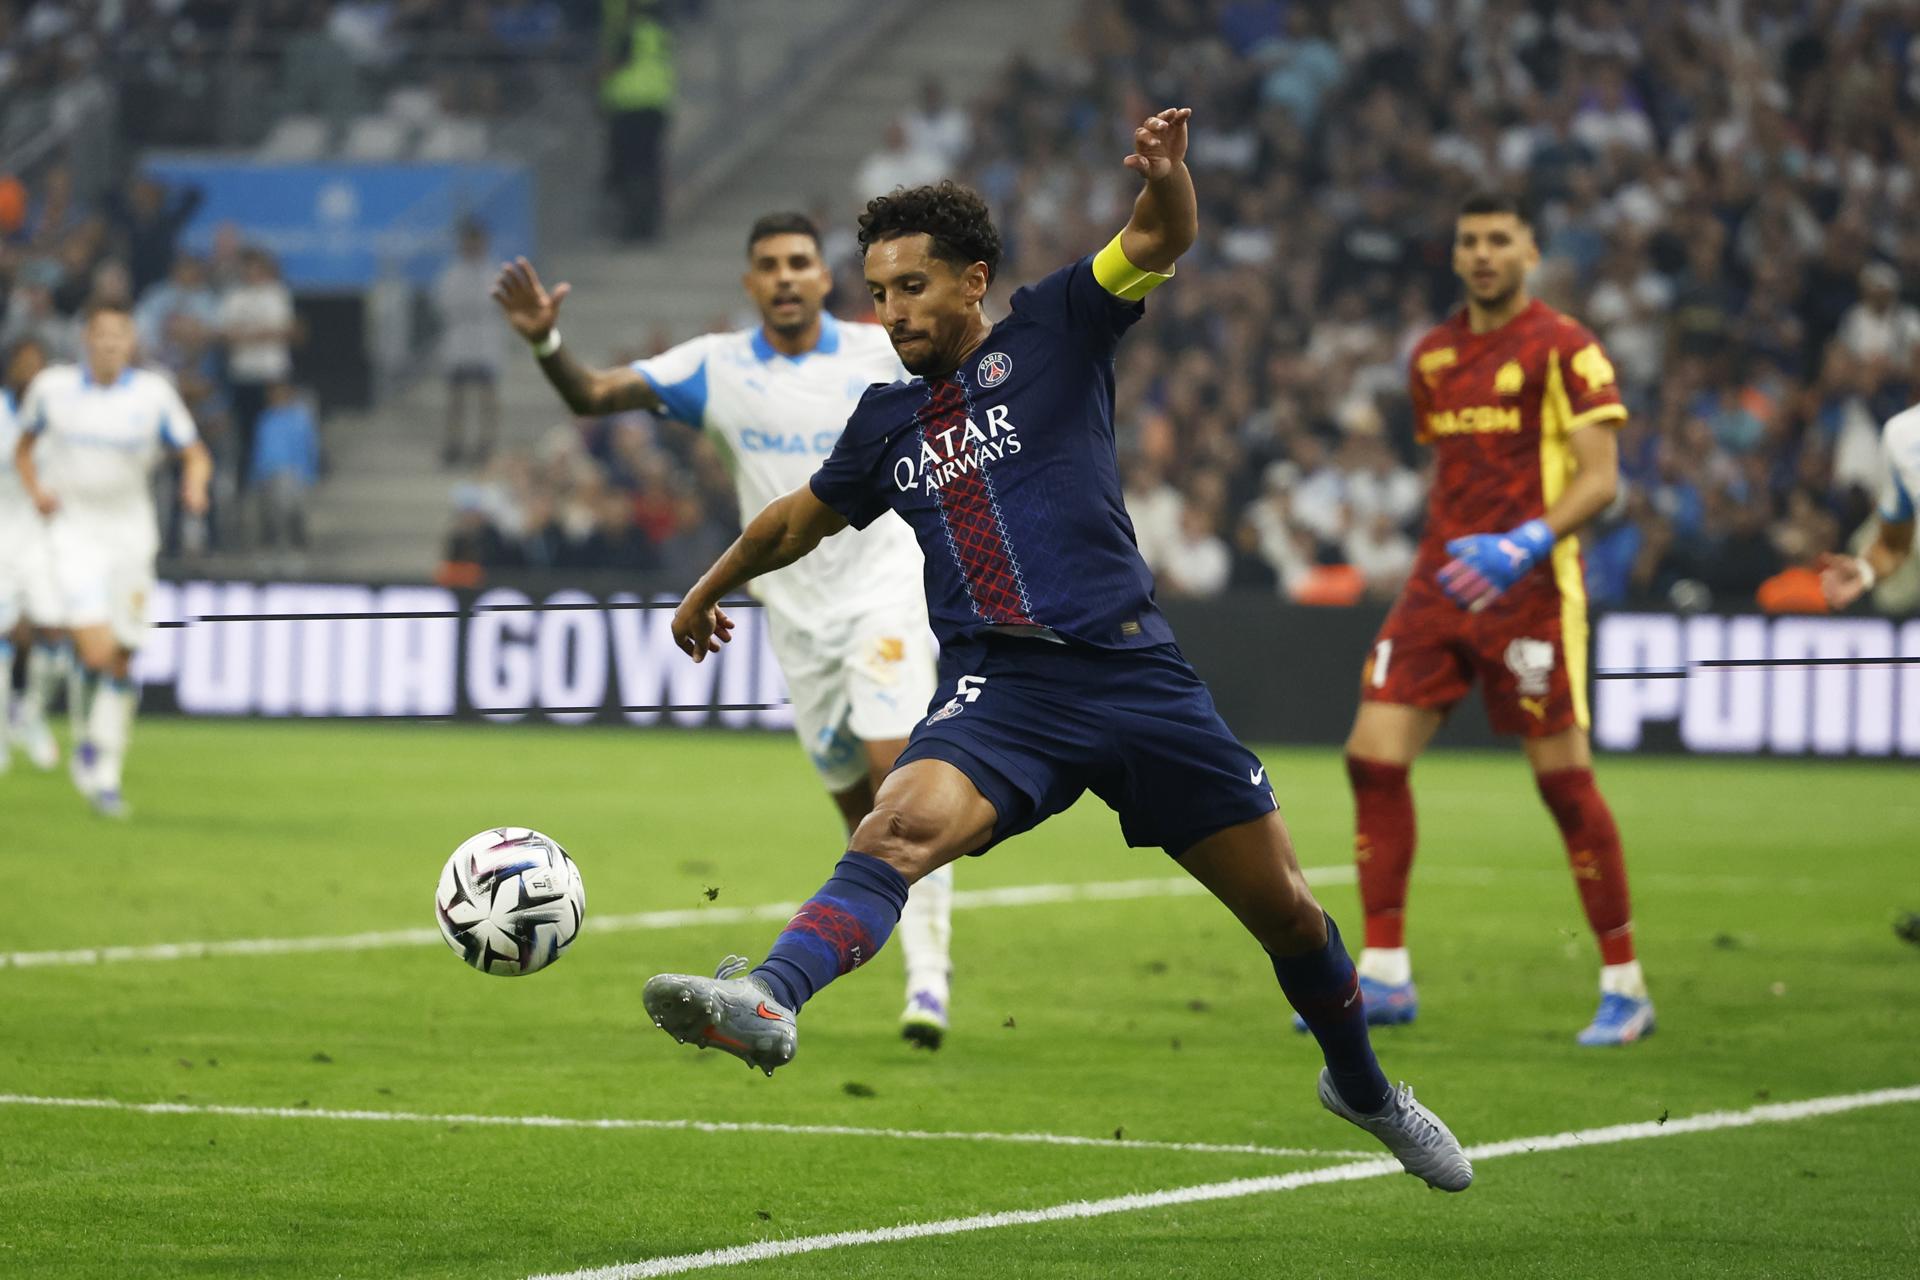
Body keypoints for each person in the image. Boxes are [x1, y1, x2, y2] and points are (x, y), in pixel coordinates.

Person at [642, 110, 1473, 1191]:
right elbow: (792, 521)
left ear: (971, 279)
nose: (891, 312)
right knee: (898, 823)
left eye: (912, 288)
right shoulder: (886, 420)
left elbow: (1159, 238)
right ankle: (769, 995)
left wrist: (1169, 176)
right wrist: (708, 588)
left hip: (1135, 675)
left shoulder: (1055, 329)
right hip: (1002, 689)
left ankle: (1361, 1086)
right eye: (879, 292)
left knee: (1288, 912)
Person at [492, 212, 958, 1048]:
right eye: (769, 265)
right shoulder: (716, 366)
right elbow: (594, 395)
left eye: (800, 263)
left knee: (900, 786)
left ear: (825, 279)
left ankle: (928, 981)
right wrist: (544, 342)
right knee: (861, 814)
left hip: (888, 594)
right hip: (798, 620)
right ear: (749, 284)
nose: (785, 277)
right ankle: (895, 949)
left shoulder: (876, 349)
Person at [1334, 192, 1653, 1047]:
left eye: (1499, 241)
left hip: (1532, 588)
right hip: (1443, 581)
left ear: (1531, 252)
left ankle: (1626, 983)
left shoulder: (1566, 348)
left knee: (1562, 781)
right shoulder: (1434, 356)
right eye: (1469, 240)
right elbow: (1455, 472)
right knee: (1371, 760)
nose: (1481, 254)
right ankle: (1387, 973)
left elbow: (1600, 478)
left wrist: (1525, 542)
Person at [13, 301, 212, 817]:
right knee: (97, 651)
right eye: (101, 336)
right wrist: (35, 489)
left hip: (131, 537)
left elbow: (194, 451)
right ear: (86, 339)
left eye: (120, 337)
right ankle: (83, 741)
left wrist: (195, 484)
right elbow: (23, 447)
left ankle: (104, 765)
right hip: (73, 533)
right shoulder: (52, 390)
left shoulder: (153, 395)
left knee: (124, 653)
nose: (110, 346)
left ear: (131, 344)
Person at [0, 336, 62, 774]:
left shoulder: (58, 416)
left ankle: (30, 713)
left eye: (37, 365)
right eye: (23, 364)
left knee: (55, 629)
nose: (30, 373)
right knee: (4, 633)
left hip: (46, 536)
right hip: (3, 533)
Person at [218, 248, 297, 488]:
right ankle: (247, 483)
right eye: (247, 267)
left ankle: (275, 480)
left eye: (256, 267)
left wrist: (247, 334)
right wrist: (260, 333)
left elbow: (284, 330)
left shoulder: (277, 294)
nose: (251, 273)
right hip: (243, 375)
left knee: (274, 433)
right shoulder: (234, 297)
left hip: (272, 374)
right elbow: (226, 334)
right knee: (246, 435)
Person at [599, 0, 675, 242]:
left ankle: (633, 227)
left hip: (629, 105)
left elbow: (613, 65)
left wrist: (592, 82)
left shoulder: (631, 31)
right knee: (648, 168)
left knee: (628, 170)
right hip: (657, 105)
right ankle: (649, 226)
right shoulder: (659, 32)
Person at [435, 219, 505, 467]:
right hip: (460, 339)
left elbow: (499, 302)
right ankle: (455, 444)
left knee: (487, 396)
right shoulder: (453, 273)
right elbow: (445, 303)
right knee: (457, 397)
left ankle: (485, 445)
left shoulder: (492, 272)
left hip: (485, 339)